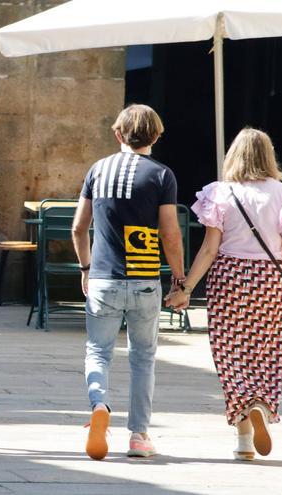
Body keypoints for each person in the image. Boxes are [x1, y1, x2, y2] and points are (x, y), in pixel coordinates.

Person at [165, 128, 282, 461]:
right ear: (268, 156)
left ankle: (245, 438)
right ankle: (261, 404)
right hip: (269, 282)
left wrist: (187, 287)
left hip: (229, 279)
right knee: (267, 352)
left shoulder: (220, 193)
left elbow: (208, 248)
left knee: (231, 355)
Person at [71, 104, 184, 460]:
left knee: (98, 351)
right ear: (156, 135)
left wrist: (85, 268)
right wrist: (179, 279)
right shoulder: (162, 175)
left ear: (118, 134)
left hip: (103, 276)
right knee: (143, 358)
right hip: (144, 278)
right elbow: (170, 235)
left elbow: (78, 227)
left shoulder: (98, 170)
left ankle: (99, 404)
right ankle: (138, 435)